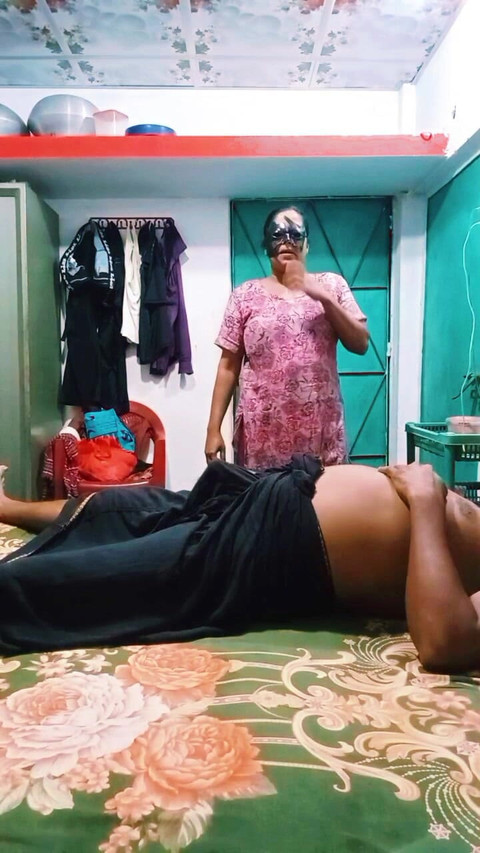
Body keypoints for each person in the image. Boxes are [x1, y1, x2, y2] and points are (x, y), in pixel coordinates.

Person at [1, 456, 480, 674]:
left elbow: (445, 643)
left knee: (86, 579)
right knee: (130, 506)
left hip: (276, 548)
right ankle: (10, 508)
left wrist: (425, 501)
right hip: (274, 493)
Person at [205, 205, 370, 467]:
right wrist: (213, 429)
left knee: (325, 494)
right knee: (265, 494)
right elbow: (228, 366)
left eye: (295, 234)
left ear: (307, 245)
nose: (287, 241)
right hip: (262, 434)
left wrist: (324, 298)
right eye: (277, 234)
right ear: (265, 244)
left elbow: (361, 343)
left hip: (321, 433)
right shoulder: (244, 296)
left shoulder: (332, 285)